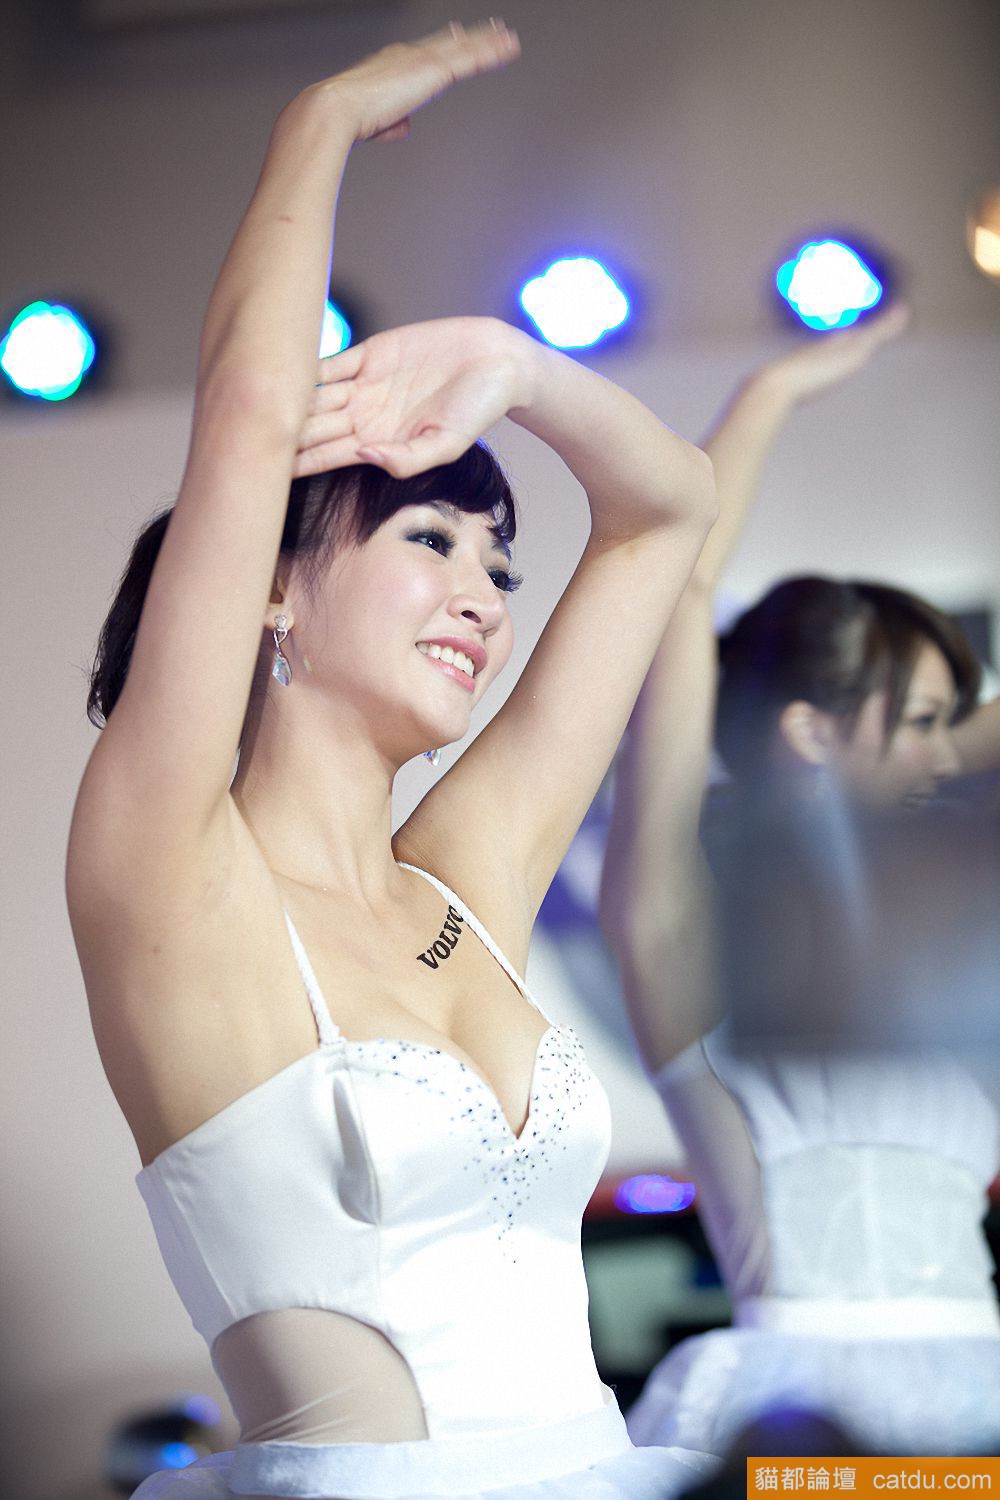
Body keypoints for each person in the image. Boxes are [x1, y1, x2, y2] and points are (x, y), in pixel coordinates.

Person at [67, 22, 719, 1500]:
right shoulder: (175, 881)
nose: (486, 595)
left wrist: (519, 367)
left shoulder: (465, 884)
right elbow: (250, 419)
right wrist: (322, 121)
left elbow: (666, 512)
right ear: (272, 593)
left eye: (500, 562)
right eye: (430, 538)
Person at [600, 308, 1000, 1457]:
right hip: (796, 1430)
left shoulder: (933, 946)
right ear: (809, 731)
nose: (944, 757)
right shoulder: (686, 930)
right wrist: (769, 393)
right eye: (921, 722)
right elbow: (677, 594)